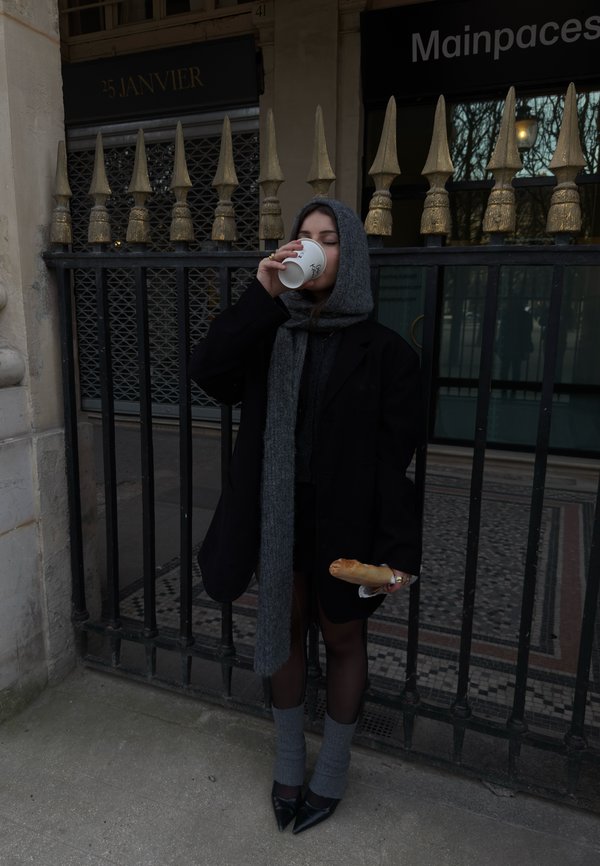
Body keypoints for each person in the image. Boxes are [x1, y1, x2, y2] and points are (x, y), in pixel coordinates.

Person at [190, 198, 423, 834]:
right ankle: (289, 763)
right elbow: (206, 370)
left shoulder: (387, 353)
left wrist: (396, 554)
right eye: (303, 235)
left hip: (347, 524)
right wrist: (262, 292)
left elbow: (393, 466)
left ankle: (334, 770)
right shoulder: (270, 333)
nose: (312, 245)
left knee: (343, 638)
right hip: (279, 517)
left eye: (328, 237)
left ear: (352, 254)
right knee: (285, 629)